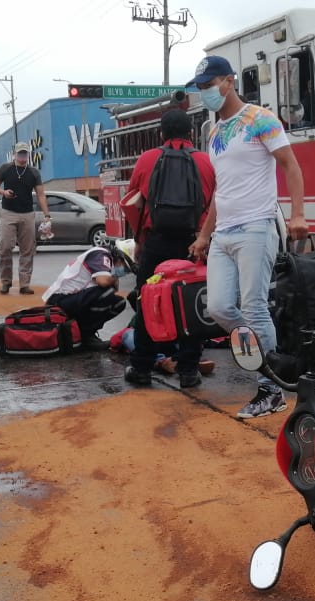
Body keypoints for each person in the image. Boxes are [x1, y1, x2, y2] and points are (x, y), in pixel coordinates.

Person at [185, 55, 310, 418]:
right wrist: (204, 236)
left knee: (254, 306)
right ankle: (266, 359)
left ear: (229, 81)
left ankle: (270, 391)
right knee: (219, 307)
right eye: (201, 87)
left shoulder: (261, 119)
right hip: (223, 233)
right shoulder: (213, 131)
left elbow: (291, 165)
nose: (206, 92)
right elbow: (220, 192)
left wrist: (299, 214)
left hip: (257, 226)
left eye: (210, 85)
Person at [120, 108, 216, 390]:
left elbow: (134, 201)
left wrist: (139, 242)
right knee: (192, 304)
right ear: (190, 132)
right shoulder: (205, 161)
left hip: (156, 243)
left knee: (148, 302)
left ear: (161, 132)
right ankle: (188, 371)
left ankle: (141, 368)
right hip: (193, 244)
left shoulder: (148, 159)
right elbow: (213, 204)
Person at [41, 240, 133, 350]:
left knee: (119, 303)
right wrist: (113, 278)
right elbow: (103, 281)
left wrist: (113, 278)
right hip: (59, 300)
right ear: (118, 256)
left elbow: (114, 288)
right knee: (106, 292)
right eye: (125, 267)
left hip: (73, 299)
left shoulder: (107, 261)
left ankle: (86, 333)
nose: (125, 272)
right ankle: (86, 336)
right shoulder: (101, 254)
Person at [0, 142, 50, 295]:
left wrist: (47, 215)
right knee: (5, 247)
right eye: (20, 153)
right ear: (15, 154)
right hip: (8, 212)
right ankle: (6, 282)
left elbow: (41, 195)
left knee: (27, 250)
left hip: (27, 214)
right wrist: (3, 193)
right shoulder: (6, 168)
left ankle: (24, 284)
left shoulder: (34, 172)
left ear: (28, 154)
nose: (22, 156)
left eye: (25, 153)